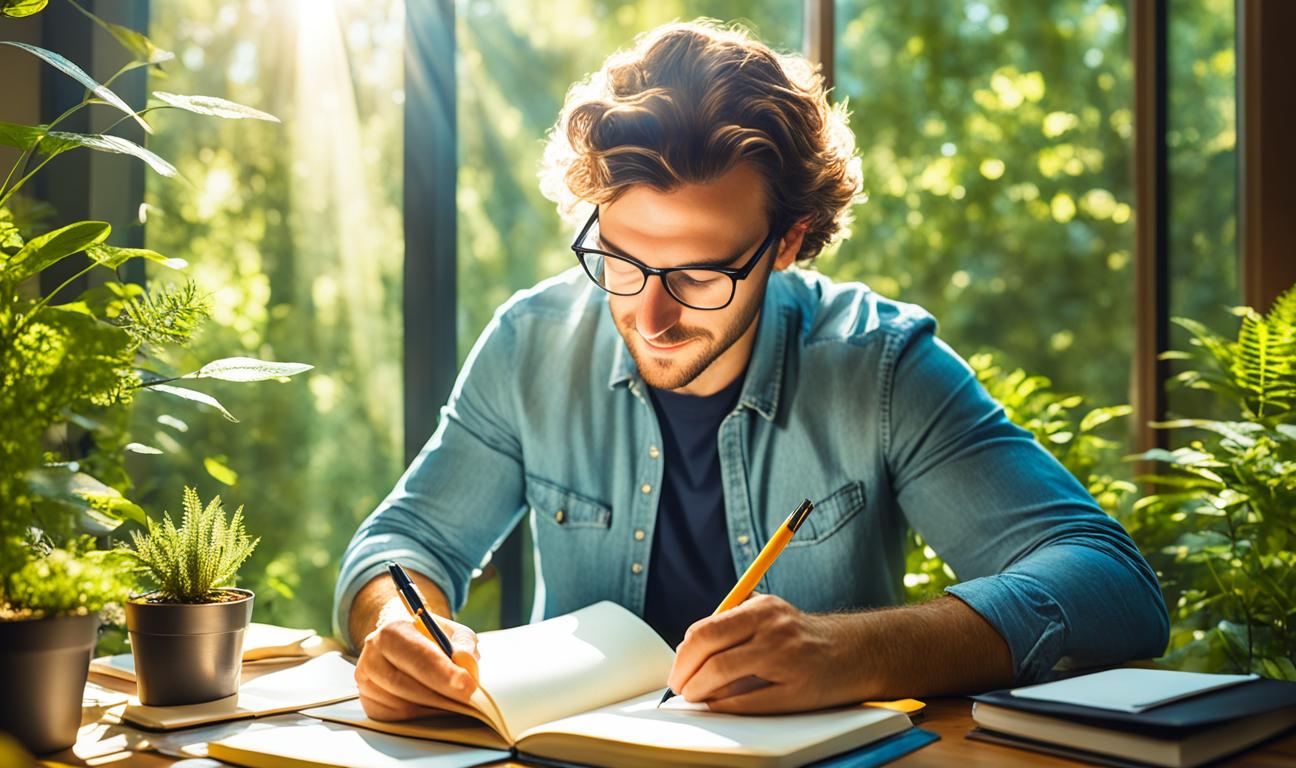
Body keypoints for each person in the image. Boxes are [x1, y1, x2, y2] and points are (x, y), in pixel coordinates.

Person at [334, 19, 1168, 721]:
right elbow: (402, 545)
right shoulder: (533, 342)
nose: (650, 317)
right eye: (621, 261)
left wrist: (851, 652)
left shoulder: (880, 366)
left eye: (699, 275)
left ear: (790, 242)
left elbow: (1111, 585)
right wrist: (405, 629)